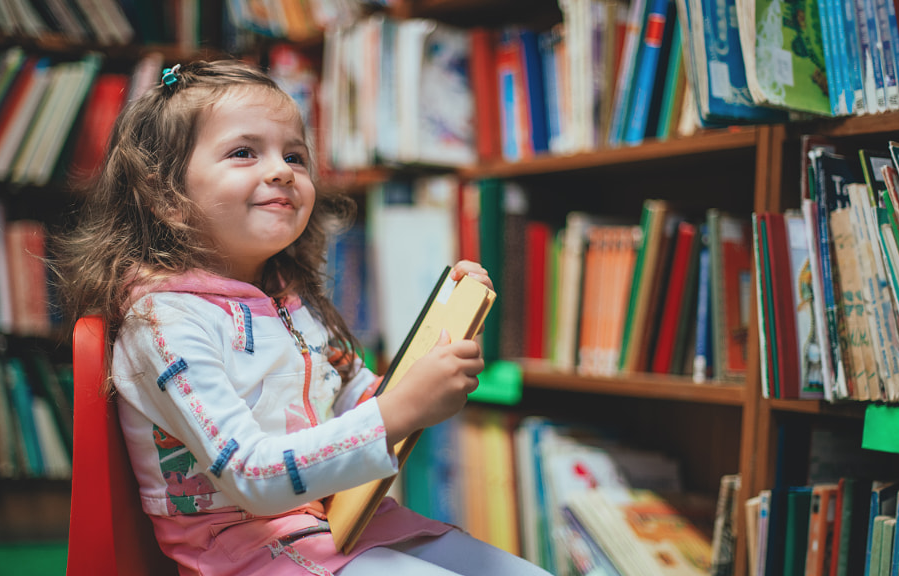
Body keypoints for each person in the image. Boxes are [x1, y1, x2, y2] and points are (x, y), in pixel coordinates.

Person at [54, 59, 552, 576]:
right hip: (249, 552)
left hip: (339, 522)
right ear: (166, 197)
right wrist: (399, 411)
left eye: (295, 155)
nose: (281, 170)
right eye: (244, 152)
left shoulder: (289, 298)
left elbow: (356, 396)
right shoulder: (164, 323)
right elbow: (250, 475)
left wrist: (440, 349)